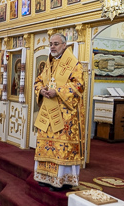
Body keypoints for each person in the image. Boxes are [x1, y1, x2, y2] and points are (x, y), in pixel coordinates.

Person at [33, 33, 85, 191]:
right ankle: (45, 176)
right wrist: (40, 90)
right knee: (46, 146)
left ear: (64, 45)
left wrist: (58, 91)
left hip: (65, 115)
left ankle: (62, 180)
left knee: (61, 149)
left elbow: (79, 85)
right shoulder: (49, 63)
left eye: (56, 44)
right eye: (51, 44)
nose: (52, 47)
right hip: (48, 112)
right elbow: (39, 80)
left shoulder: (74, 64)